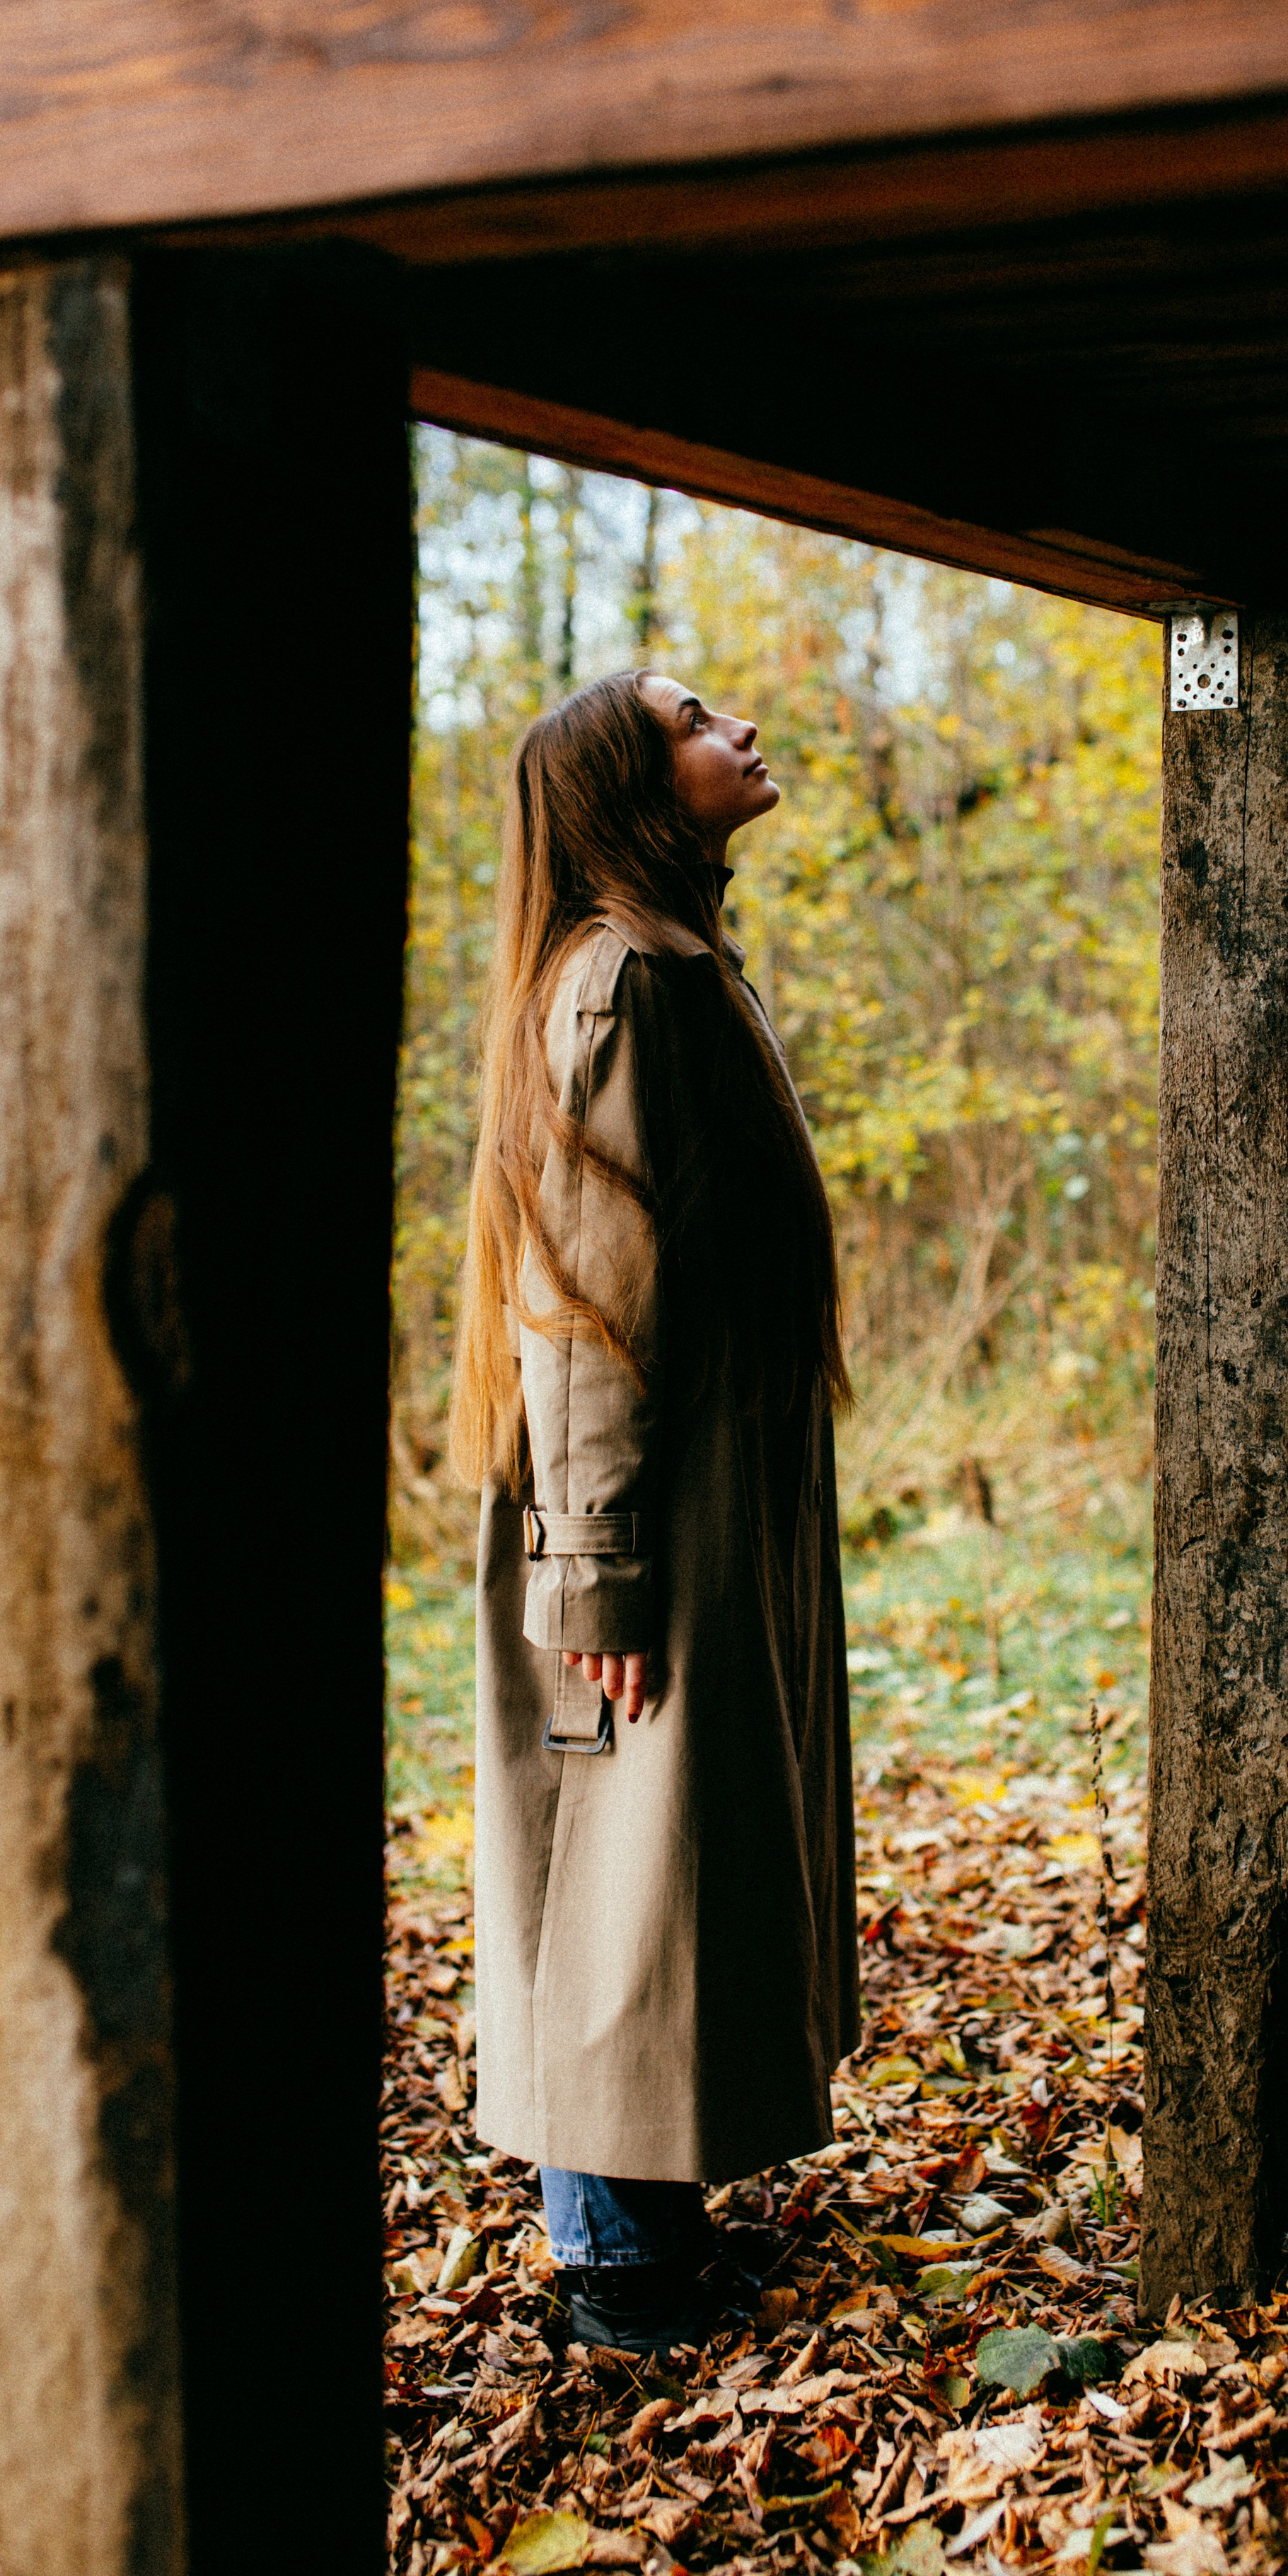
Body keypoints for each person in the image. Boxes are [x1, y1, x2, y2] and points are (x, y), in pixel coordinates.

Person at [450, 668, 860, 2355]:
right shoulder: (615, 982)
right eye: (697, 719)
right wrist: (594, 1574)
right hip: (623, 1504)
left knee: (670, 1864)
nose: (742, 730)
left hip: (696, 1491)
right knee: (610, 1864)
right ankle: (614, 2271)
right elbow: (581, 1308)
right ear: (630, 783)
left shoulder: (677, 961)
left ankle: (652, 2234)